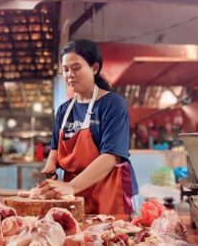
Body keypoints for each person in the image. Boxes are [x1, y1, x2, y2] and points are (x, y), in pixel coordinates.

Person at [39, 39, 138, 218]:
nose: (70, 74)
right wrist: (50, 166)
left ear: (94, 68)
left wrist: (71, 186)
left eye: (76, 68)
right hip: (75, 196)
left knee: (110, 240)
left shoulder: (112, 104)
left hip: (109, 194)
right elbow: (55, 148)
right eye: (66, 69)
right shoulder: (63, 110)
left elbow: (111, 157)